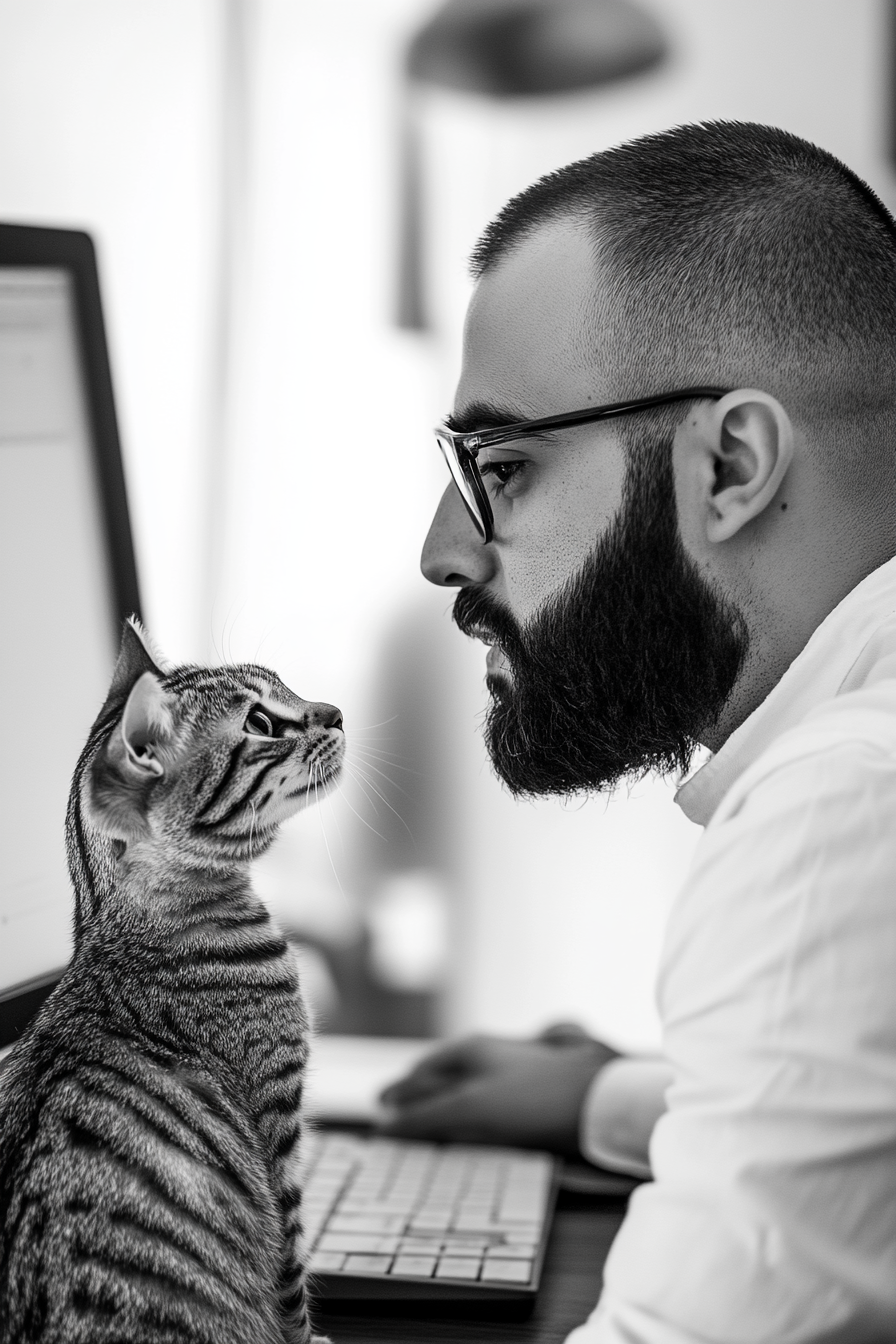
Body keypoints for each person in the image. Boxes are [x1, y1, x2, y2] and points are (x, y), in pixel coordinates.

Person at [380, 122, 896, 1341]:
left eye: (501, 469)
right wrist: (610, 1098)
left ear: (730, 465)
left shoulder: (841, 804)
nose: (441, 554)